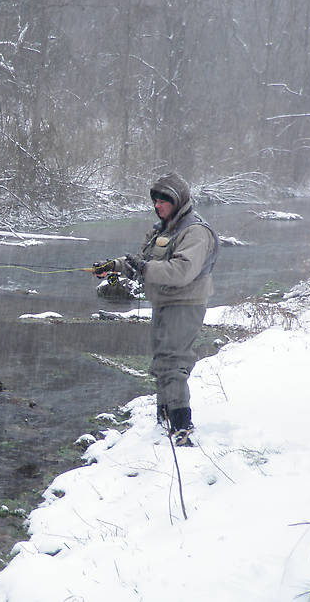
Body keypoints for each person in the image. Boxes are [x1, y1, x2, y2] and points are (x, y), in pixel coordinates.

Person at [93, 173, 220, 446]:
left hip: (185, 305)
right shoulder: (162, 229)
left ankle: (181, 428)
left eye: (164, 200)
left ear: (179, 201)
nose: (158, 205)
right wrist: (113, 267)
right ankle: (164, 419)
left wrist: (144, 268)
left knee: (174, 363)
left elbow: (182, 271)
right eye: (156, 200)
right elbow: (142, 264)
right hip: (163, 303)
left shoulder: (195, 231)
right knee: (162, 362)